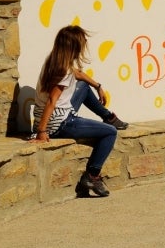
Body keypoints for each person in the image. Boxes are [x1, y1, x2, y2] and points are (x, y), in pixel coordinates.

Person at [31, 25, 129, 197]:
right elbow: (52, 100)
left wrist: (97, 86)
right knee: (110, 133)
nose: (84, 46)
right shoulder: (63, 71)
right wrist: (42, 131)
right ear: (74, 47)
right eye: (82, 43)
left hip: (52, 116)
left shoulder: (54, 61)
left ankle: (108, 116)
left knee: (83, 86)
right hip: (59, 123)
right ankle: (92, 176)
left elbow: (77, 74)